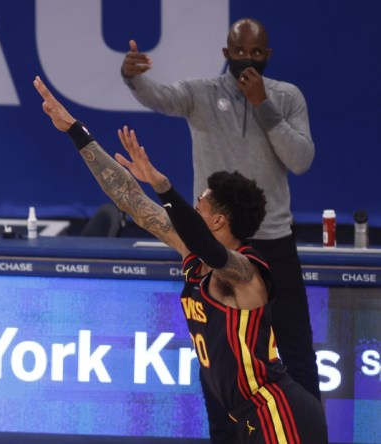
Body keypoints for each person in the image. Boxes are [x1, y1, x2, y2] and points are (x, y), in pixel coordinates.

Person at [34, 75, 327, 444]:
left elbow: (214, 252)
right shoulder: (193, 255)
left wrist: (163, 186)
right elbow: (130, 200)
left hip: (278, 412)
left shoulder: (245, 273)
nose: (192, 206)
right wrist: (76, 131)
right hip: (249, 416)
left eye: (199, 203)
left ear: (218, 220)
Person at [120, 18, 321, 442]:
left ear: (267, 56)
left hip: (273, 245)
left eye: (255, 53)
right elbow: (159, 97)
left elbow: (300, 159)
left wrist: (263, 105)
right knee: (218, 362)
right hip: (215, 244)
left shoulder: (286, 98)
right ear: (225, 53)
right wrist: (132, 78)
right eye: (239, 51)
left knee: (298, 356)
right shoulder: (202, 94)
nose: (246, 59)